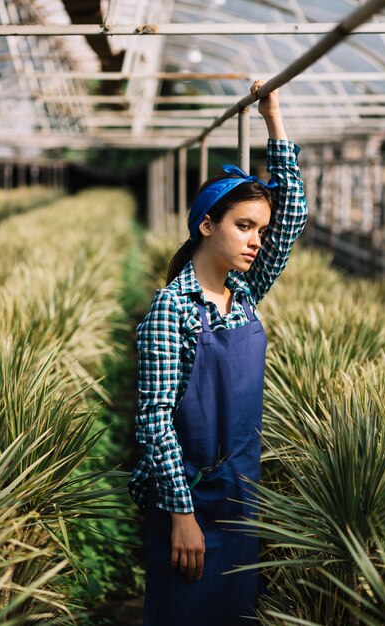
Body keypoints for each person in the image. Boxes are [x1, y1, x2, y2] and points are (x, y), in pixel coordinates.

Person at [128, 79, 308, 626]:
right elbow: (154, 420)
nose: (257, 239)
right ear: (208, 225)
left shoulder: (244, 294)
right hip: (193, 497)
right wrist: (182, 515)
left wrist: (273, 120)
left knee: (235, 613)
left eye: (260, 229)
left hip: (242, 494)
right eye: (244, 226)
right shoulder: (174, 308)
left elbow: (293, 215)